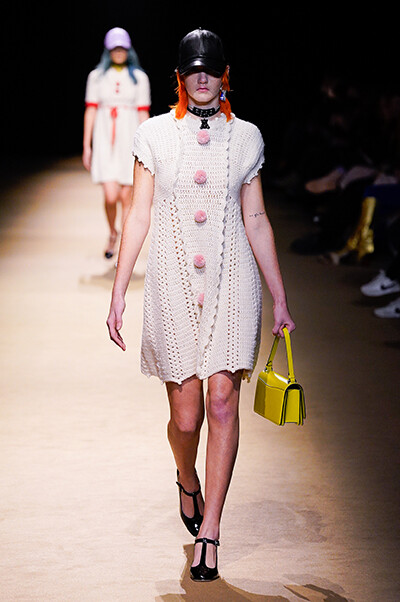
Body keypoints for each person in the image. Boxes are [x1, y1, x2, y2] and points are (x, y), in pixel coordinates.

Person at [106, 28, 295, 582]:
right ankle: (186, 477)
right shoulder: (154, 135)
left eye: (211, 68)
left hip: (233, 280)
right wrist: (119, 291)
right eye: (194, 69)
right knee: (186, 418)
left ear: (225, 74)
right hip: (173, 284)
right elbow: (139, 214)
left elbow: (256, 219)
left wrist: (280, 297)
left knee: (222, 404)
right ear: (181, 77)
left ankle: (210, 529)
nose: (203, 77)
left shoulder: (247, 138)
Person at [83, 27, 151, 258]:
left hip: (129, 138)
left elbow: (143, 113)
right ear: (108, 50)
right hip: (105, 139)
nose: (119, 52)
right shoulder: (96, 77)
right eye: (115, 48)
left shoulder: (139, 78)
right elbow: (91, 110)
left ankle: (124, 246)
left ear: (128, 50)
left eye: (122, 48)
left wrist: (148, 146)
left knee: (126, 197)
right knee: (110, 195)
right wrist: (86, 145)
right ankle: (113, 231)